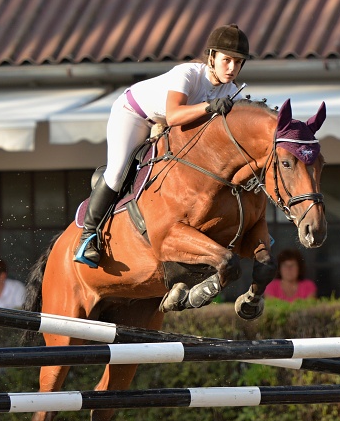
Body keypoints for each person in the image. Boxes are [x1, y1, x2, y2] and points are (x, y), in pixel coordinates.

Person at [73, 23, 251, 268]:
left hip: (165, 127)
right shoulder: (187, 74)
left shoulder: (233, 91)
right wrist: (210, 107)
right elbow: (175, 115)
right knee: (117, 172)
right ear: (211, 57)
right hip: (134, 114)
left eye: (239, 62)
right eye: (227, 60)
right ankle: (88, 237)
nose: (232, 68)